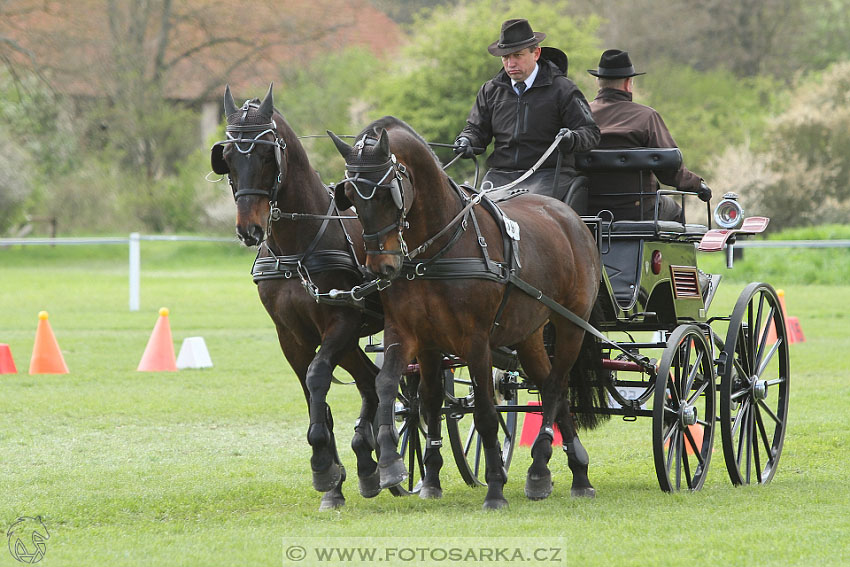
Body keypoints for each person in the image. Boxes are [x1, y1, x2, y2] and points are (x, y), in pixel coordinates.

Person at [454, 18, 600, 212]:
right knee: (474, 216)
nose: (510, 63)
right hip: (499, 176)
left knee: (526, 214)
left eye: (517, 55)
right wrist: (466, 140)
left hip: (548, 175)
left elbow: (590, 132)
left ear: (536, 53)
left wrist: (571, 138)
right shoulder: (490, 90)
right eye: (505, 57)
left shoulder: (563, 89)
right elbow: (476, 131)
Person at [586, 49, 711, 221]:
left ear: (599, 82)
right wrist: (698, 185)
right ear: (628, 83)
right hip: (639, 211)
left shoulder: (581, 115)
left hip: (588, 211)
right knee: (675, 211)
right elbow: (670, 170)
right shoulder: (646, 117)